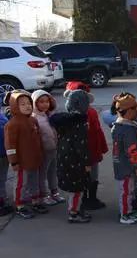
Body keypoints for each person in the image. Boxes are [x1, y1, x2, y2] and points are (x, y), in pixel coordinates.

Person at [49, 90, 93, 223]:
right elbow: (82, 146)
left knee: (74, 188)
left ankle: (76, 209)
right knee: (76, 189)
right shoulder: (79, 124)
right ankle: (73, 213)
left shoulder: (64, 120)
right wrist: (87, 163)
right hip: (76, 162)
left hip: (65, 159)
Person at [64, 82, 109, 210]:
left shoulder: (89, 112)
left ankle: (90, 198)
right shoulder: (79, 115)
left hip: (90, 151)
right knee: (87, 176)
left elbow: (97, 131)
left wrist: (101, 148)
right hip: (84, 153)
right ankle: (86, 200)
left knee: (91, 175)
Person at [4, 91, 45, 218]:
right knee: (22, 183)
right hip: (22, 162)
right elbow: (10, 145)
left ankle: (35, 200)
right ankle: (19, 204)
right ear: (15, 107)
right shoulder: (12, 124)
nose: (27, 106)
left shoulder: (33, 120)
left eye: (28, 103)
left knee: (34, 181)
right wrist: (14, 161)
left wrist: (40, 153)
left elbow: (39, 139)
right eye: (22, 104)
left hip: (35, 159)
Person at [111, 93, 137, 225]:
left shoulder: (118, 126)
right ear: (129, 111)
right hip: (127, 167)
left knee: (127, 190)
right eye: (135, 109)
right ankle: (125, 214)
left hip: (120, 164)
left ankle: (127, 209)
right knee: (126, 191)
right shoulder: (129, 130)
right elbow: (132, 151)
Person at [31, 90, 64, 207]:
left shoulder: (49, 115)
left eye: (47, 101)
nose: (45, 104)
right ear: (35, 103)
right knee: (42, 174)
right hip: (43, 151)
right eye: (41, 102)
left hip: (53, 149)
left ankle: (54, 192)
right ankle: (43, 195)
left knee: (53, 172)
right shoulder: (34, 118)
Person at [0, 107, 13, 216]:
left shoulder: (2, 117)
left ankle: (2, 200)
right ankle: (1, 203)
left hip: (4, 153)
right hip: (2, 152)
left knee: (2, 178)